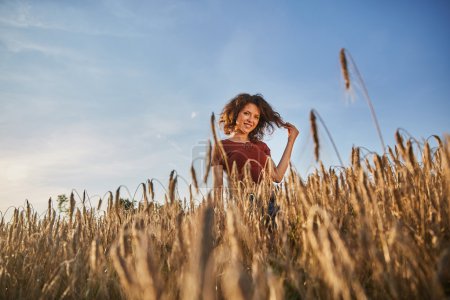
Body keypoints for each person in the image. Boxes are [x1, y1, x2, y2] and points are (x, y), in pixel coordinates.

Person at [212, 93, 299, 227]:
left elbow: (277, 176)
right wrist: (218, 216)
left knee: (281, 245)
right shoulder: (221, 146)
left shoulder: (261, 146)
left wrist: (291, 140)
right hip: (245, 205)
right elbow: (218, 187)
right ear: (235, 113)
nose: (250, 120)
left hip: (273, 202)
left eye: (256, 117)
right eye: (246, 113)